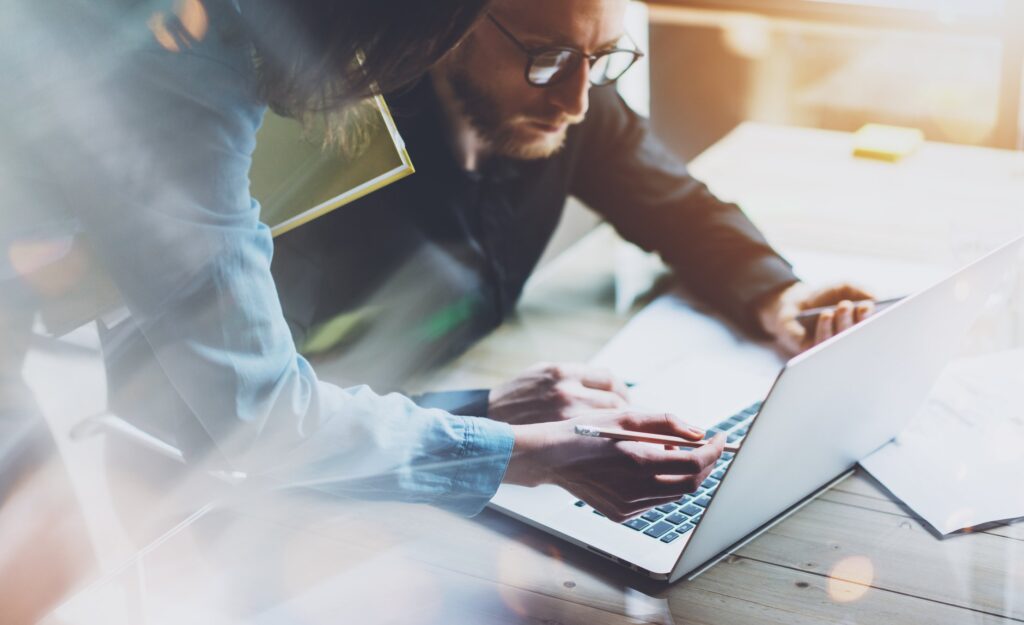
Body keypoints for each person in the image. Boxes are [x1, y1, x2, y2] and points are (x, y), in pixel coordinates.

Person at [1, 0, 723, 532]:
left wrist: (483, 418)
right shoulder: (190, 69)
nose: (575, 98)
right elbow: (243, 411)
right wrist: (517, 452)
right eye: (545, 55)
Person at [270, 0, 877, 425]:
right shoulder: (326, 168)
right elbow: (261, 412)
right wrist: (485, 412)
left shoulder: (563, 98)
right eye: (548, 57)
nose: (578, 101)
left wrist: (777, 295)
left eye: (602, 57)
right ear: (448, 23)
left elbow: (677, 207)